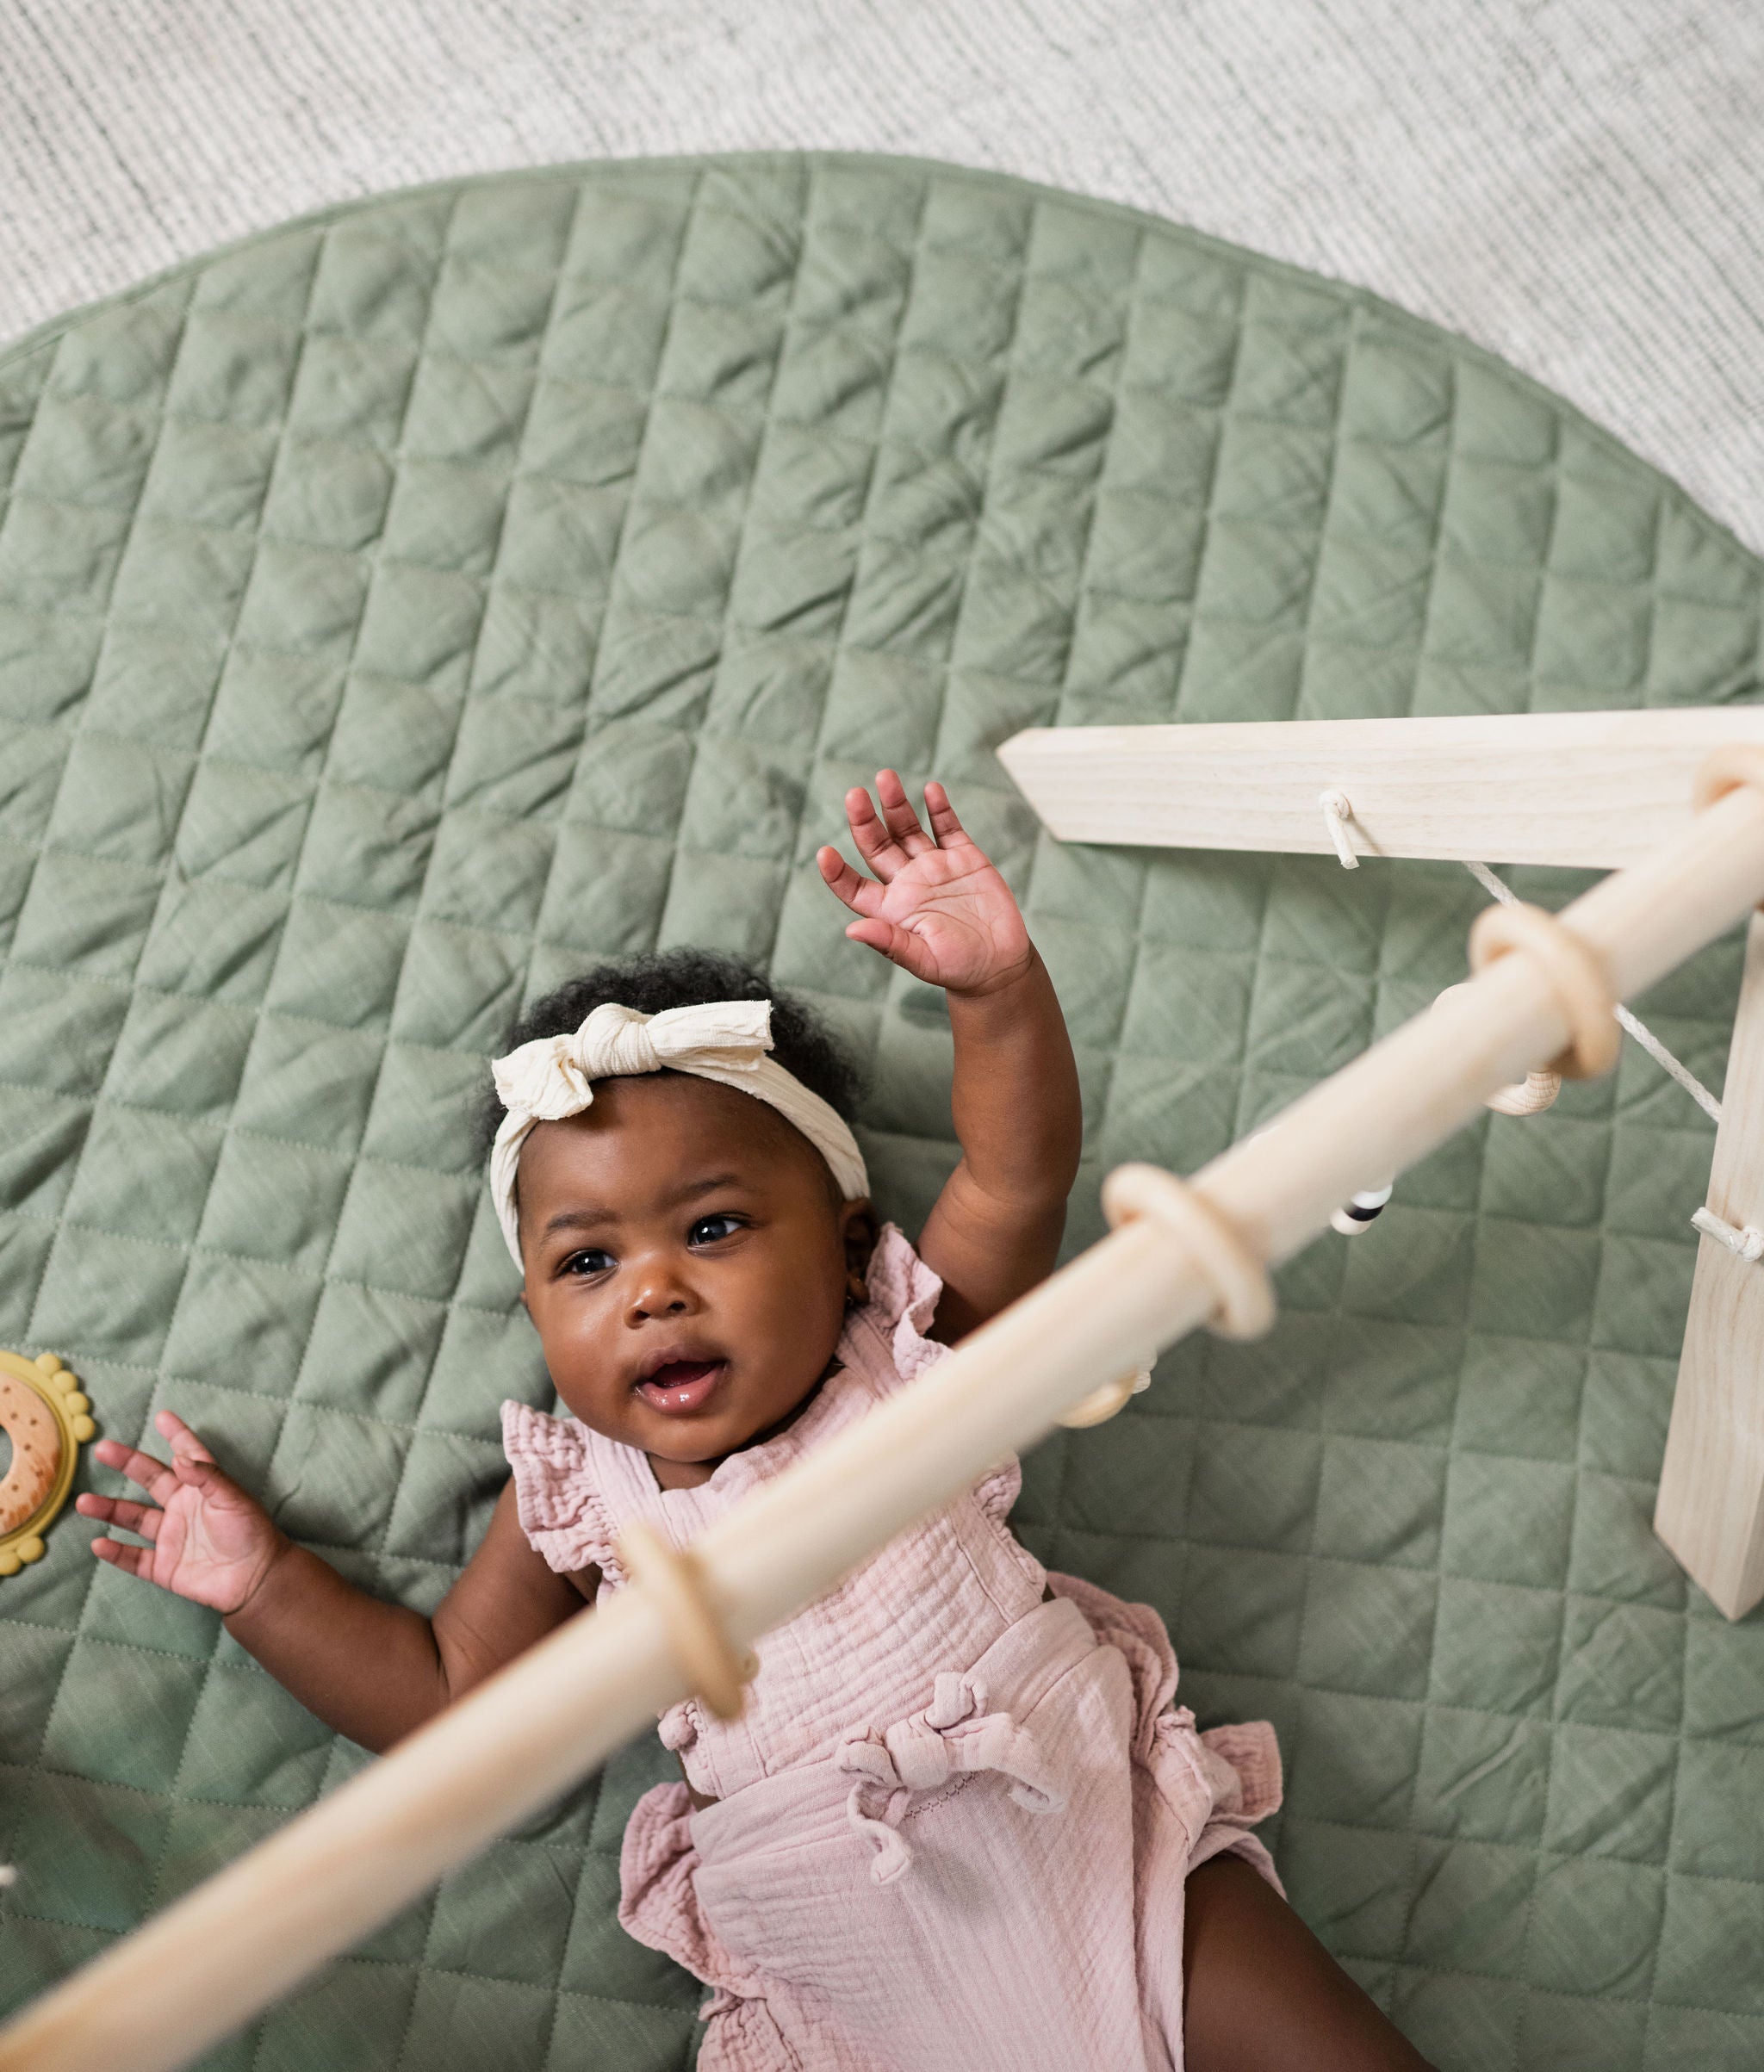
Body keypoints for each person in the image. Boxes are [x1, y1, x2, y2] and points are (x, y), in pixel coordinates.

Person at [78, 772, 1433, 2070]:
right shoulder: (590, 1494)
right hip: (853, 1961)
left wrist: (999, 993)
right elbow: (448, 1700)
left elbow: (1019, 1174)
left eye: (713, 1227)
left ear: (850, 1249)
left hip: (1086, 1829)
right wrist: (261, 1584)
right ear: (539, 1310)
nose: (655, 1287)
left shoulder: (903, 1354)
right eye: (587, 1262)